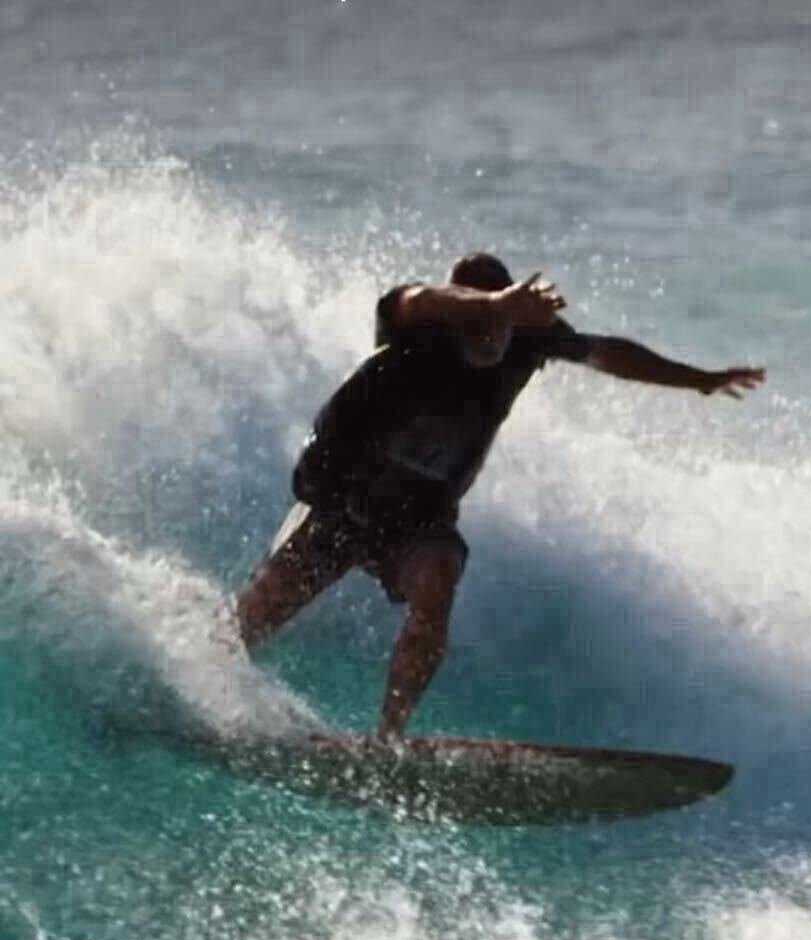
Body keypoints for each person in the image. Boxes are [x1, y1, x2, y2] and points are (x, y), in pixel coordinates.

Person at [236, 252, 765, 739]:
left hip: (418, 519)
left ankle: (389, 738)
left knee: (438, 580)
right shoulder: (415, 320)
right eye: (476, 318)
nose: (487, 335)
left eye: (500, 323)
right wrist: (492, 305)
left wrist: (698, 380)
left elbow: (608, 353)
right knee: (250, 623)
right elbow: (423, 297)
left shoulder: (527, 340)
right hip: (343, 500)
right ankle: (211, 686)